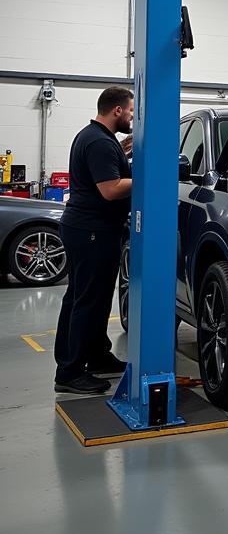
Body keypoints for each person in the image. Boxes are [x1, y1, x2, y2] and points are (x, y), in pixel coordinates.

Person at [54, 87, 134, 394]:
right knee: (85, 300)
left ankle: (97, 355)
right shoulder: (100, 142)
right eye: (129, 111)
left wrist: (123, 153)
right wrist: (151, 176)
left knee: (94, 298)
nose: (131, 117)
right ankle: (70, 371)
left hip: (91, 228)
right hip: (91, 231)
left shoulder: (94, 136)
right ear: (116, 110)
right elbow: (110, 189)